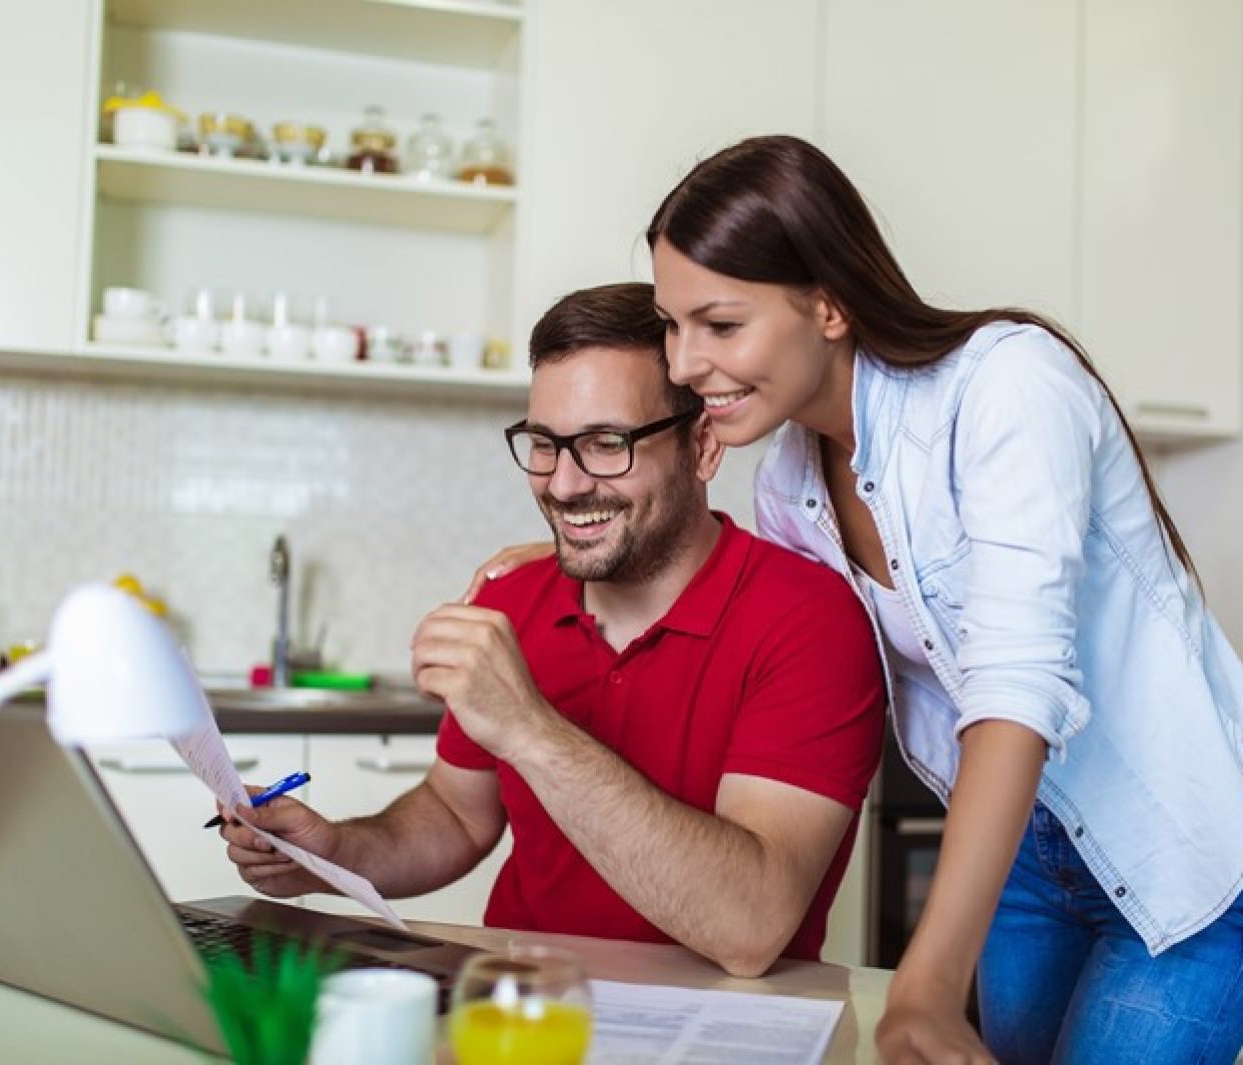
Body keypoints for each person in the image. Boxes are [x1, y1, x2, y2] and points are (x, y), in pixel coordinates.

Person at [467, 137, 1243, 1064]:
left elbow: (1014, 685)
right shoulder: (789, 482)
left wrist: (923, 981)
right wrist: (575, 539)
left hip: (1183, 843)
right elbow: (790, 614)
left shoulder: (1007, 384)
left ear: (827, 305)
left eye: (719, 324)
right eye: (673, 326)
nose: (683, 364)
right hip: (1021, 859)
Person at [220, 281, 885, 976]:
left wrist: (529, 728)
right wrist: (331, 852)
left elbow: (751, 926)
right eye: (545, 443)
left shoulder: (809, 619)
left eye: (605, 443)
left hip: (715, 1023)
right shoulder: (512, 599)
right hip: (518, 1008)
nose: (564, 485)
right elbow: (456, 812)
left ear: (703, 447)